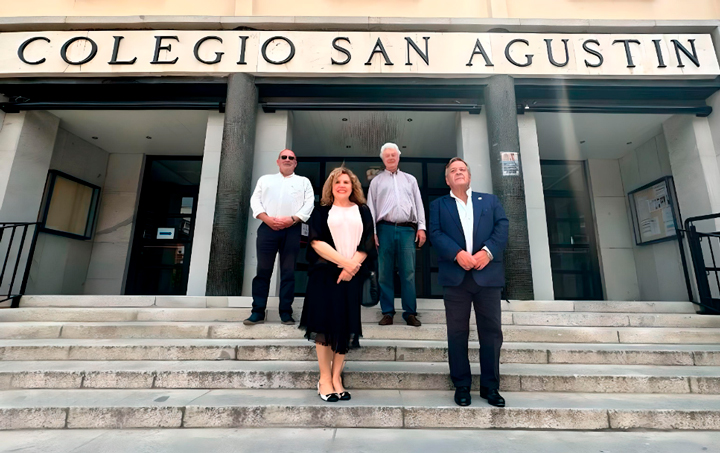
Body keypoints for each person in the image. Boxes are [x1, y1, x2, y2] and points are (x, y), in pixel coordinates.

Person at [428, 157, 509, 408]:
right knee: (457, 332)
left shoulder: (490, 201)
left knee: (491, 333)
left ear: (469, 176)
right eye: (453, 171)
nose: (458, 173)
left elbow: (502, 226)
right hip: (456, 278)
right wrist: (457, 253)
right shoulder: (438, 205)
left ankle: (490, 386)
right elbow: (435, 233)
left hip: (487, 277)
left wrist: (487, 252)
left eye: (462, 169)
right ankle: (461, 385)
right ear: (447, 180)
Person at [299, 167, 376, 402]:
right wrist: (345, 264)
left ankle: (336, 378)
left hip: (351, 277)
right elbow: (315, 242)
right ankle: (324, 378)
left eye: (346, 181)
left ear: (353, 186)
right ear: (330, 187)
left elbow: (368, 242)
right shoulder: (321, 211)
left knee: (344, 326)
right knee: (323, 327)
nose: (342, 185)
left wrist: (352, 268)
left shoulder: (363, 210)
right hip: (324, 276)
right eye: (337, 182)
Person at [244, 149, 315, 326]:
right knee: (263, 271)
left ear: (296, 163)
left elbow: (309, 204)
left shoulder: (303, 182)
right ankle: (258, 311)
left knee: (288, 272)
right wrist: (267, 219)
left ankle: (285, 312)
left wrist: (292, 219)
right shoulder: (265, 179)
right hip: (267, 229)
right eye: (284, 157)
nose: (288, 160)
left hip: (292, 230)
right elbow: (255, 201)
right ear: (278, 161)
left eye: (292, 158)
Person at [367, 143, 426, 327]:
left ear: (399, 157)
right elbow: (371, 208)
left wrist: (421, 227)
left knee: (408, 272)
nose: (391, 157)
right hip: (384, 229)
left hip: (407, 229)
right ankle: (387, 312)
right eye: (387, 155)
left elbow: (418, 204)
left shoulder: (410, 180)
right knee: (384, 273)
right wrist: (372, 232)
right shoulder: (376, 182)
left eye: (393, 154)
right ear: (383, 159)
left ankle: (410, 313)